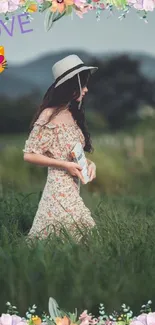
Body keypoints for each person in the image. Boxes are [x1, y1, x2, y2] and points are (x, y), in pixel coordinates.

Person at [23, 54, 98, 241]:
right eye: (83, 85)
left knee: (67, 238)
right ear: (71, 87)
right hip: (58, 187)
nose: (87, 89)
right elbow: (29, 155)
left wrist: (90, 164)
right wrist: (65, 166)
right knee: (82, 234)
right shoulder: (48, 115)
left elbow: (74, 153)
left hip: (73, 186)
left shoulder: (72, 114)